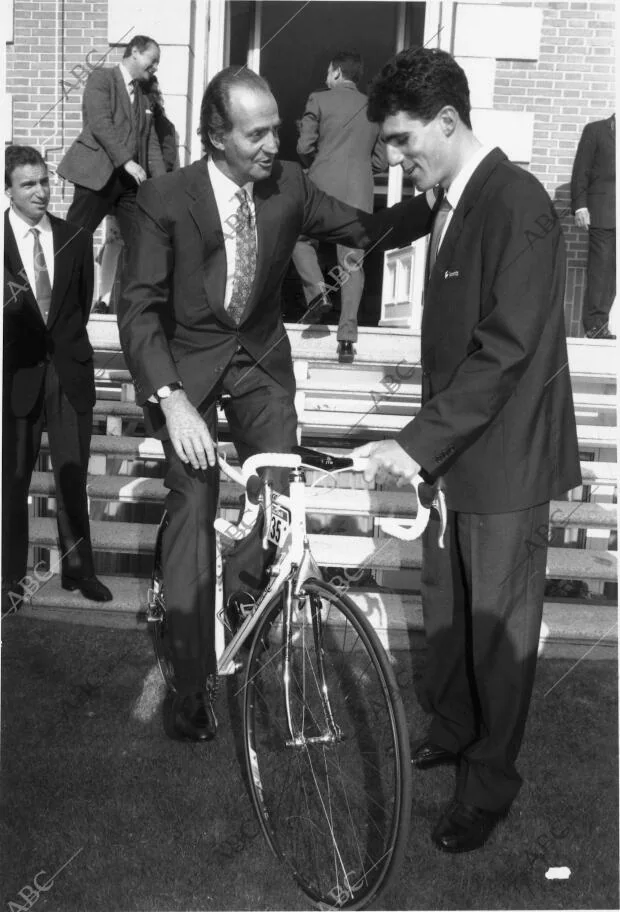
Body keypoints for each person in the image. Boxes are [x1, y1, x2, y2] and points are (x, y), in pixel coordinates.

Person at [117, 66, 433, 744]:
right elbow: (137, 308)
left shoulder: (288, 184)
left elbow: (363, 229)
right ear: (216, 137)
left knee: (278, 496)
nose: (273, 145)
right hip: (187, 373)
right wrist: (171, 401)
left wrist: (439, 198)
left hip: (259, 365)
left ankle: (242, 591)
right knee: (194, 503)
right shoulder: (165, 199)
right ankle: (193, 678)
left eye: (277, 130)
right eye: (257, 134)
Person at [353, 48, 581, 853]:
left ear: (448, 123)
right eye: (387, 140)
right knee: (448, 613)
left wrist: (416, 445)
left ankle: (487, 785)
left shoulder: (516, 203)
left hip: (504, 463)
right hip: (455, 456)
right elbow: (373, 230)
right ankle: (453, 728)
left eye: (404, 137)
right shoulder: (445, 195)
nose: (394, 155)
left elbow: (507, 347)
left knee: (498, 633)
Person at [2, 145, 113, 612]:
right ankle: (9, 579)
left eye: (45, 181)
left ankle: (78, 570)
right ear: (8, 189)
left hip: (69, 374)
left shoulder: (74, 237)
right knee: (12, 480)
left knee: (72, 476)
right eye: (28, 184)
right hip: (15, 376)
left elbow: (80, 305)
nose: (41, 191)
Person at [292, 51, 387, 362]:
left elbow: (304, 147)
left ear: (335, 72)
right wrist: (358, 170)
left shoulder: (318, 100)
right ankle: (347, 338)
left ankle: (317, 293)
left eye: (327, 71)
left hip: (320, 185)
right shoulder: (375, 109)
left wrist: (318, 163)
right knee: (351, 263)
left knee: (300, 239)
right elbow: (381, 160)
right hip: (359, 192)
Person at [57, 34, 166, 247]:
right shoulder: (101, 78)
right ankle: (62, 280)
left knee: (142, 246)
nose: (154, 67)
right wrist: (127, 162)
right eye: (152, 60)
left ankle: (137, 281)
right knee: (73, 242)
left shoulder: (144, 97)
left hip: (130, 185)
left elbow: (151, 143)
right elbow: (100, 124)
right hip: (96, 176)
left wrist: (162, 185)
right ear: (135, 52)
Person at [91, 75, 179, 315]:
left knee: (135, 245)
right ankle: (104, 300)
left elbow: (167, 159)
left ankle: (121, 300)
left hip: (148, 191)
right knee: (115, 242)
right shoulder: (134, 119)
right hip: (127, 189)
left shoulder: (160, 124)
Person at [570, 113, 616, 339]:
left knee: (614, 275)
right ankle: (595, 326)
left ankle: (602, 323)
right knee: (601, 271)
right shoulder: (596, 130)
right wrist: (580, 206)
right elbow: (581, 170)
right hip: (602, 213)